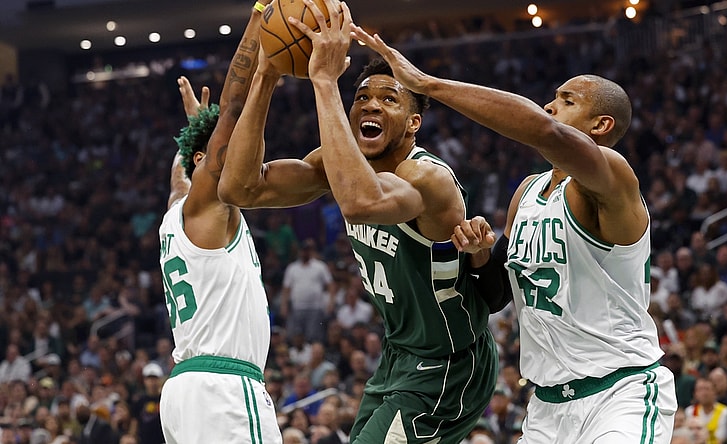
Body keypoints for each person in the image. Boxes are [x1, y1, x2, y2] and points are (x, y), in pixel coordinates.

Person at [349, 19, 678, 443]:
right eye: (552, 99)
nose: (549, 107)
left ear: (600, 126)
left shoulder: (612, 177)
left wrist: (427, 85)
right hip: (546, 406)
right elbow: (497, 296)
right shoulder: (528, 191)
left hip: (622, 392)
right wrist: (480, 253)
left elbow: (543, 132)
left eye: (567, 100)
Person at [218, 1, 510, 442]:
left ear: (413, 124)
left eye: (388, 99)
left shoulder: (426, 177)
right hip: (400, 355)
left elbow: (359, 202)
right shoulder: (340, 165)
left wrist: (323, 80)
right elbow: (240, 189)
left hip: (449, 363)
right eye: (362, 98)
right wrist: (267, 74)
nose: (370, 106)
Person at [156, 2, 282, 443]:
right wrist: (259, 20)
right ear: (204, 161)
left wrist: (194, 129)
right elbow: (233, 106)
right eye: (216, 154)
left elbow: (180, 177)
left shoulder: (179, 210)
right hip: (225, 387)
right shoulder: (209, 205)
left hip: (184, 393)